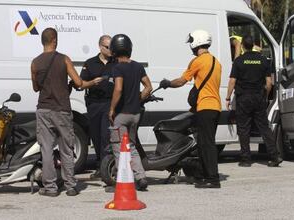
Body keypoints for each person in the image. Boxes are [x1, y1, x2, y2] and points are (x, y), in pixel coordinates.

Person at [31, 28, 102, 197]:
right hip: (61, 109)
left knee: (46, 149)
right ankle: (70, 186)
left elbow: (35, 88)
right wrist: (93, 81)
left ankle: (50, 188)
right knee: (66, 148)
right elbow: (79, 83)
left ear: (43, 41)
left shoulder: (35, 63)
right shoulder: (64, 59)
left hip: (43, 109)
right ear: (54, 40)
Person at [160, 30, 222, 188]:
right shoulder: (216, 62)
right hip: (215, 107)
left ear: (197, 42)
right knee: (203, 142)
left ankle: (213, 179)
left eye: (191, 42)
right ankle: (201, 174)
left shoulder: (198, 61)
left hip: (205, 107)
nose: (190, 47)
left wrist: (167, 83)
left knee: (206, 144)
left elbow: (181, 81)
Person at [225, 35, 283, 168]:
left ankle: (246, 159)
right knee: (264, 128)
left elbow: (232, 81)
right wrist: (265, 96)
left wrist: (228, 98)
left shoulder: (239, 61)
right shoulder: (263, 60)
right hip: (258, 97)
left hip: (243, 98)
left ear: (243, 46)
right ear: (253, 45)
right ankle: (275, 156)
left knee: (244, 129)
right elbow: (269, 83)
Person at [108, 34, 152, 191]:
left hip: (121, 115)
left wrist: (112, 109)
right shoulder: (138, 66)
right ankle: (141, 177)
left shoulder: (117, 68)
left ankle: (122, 182)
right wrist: (137, 99)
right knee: (132, 146)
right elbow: (148, 87)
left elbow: (118, 88)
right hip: (135, 114)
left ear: (113, 50)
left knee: (119, 148)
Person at [80, 35, 116, 179]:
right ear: (100, 47)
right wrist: (92, 82)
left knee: (106, 136)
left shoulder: (116, 62)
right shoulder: (90, 63)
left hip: (109, 103)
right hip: (94, 104)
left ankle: (105, 167)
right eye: (108, 47)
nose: (111, 50)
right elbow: (81, 82)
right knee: (95, 136)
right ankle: (99, 165)